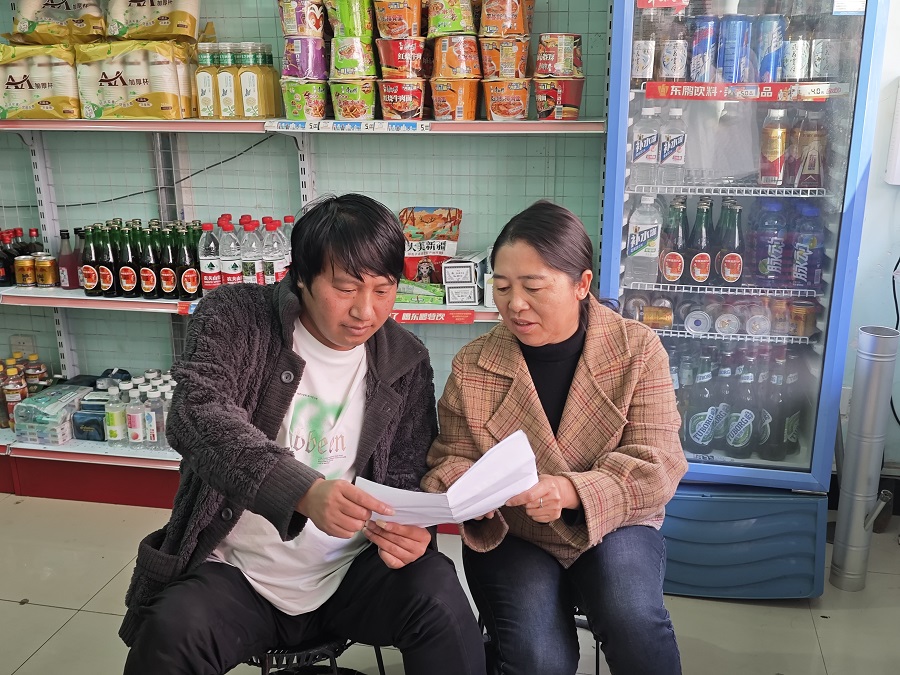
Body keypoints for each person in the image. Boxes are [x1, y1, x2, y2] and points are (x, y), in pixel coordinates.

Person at [120, 194, 485, 675]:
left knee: (439, 596)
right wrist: (303, 492)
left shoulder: (404, 359)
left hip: (351, 572)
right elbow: (196, 413)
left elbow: (406, 472)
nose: (366, 311)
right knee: (171, 633)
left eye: (384, 289)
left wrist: (411, 533)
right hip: (236, 573)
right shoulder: (237, 317)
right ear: (300, 277)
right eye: (345, 287)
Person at [422, 201, 688, 675]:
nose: (514, 304)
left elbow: (658, 465)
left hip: (615, 521)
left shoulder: (636, 350)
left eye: (533, 287)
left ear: (582, 285)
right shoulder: (474, 364)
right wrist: (468, 492)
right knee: (538, 657)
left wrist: (569, 491)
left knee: (633, 620)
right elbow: (450, 457)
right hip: (515, 532)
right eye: (502, 287)